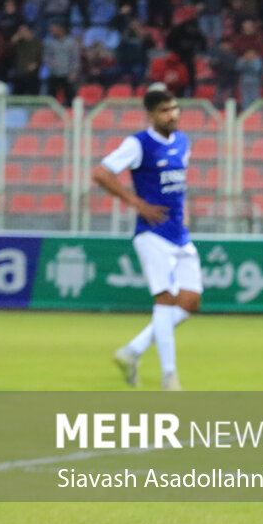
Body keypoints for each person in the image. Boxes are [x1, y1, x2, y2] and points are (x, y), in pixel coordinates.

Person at [96, 86, 200, 391]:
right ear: (151, 115)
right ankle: (170, 377)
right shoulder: (139, 143)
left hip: (178, 233)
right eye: (165, 111)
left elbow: (177, 185)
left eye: (175, 108)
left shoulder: (182, 142)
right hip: (151, 234)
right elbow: (101, 173)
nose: (173, 115)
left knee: (190, 301)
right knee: (166, 300)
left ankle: (132, 351)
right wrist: (138, 204)